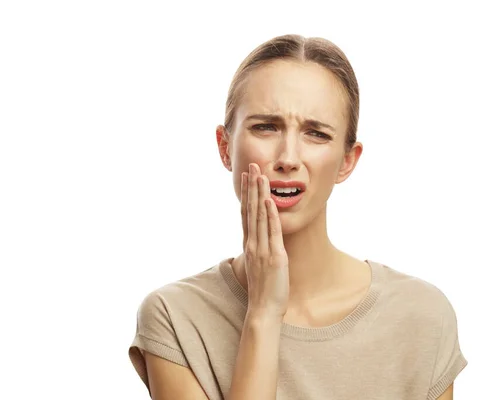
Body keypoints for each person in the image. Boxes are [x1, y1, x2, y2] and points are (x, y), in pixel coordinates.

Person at [128, 34, 468, 400]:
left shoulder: (421, 315)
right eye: (265, 127)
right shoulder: (175, 317)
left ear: (347, 161)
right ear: (225, 148)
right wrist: (263, 312)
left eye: (316, 134)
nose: (288, 157)